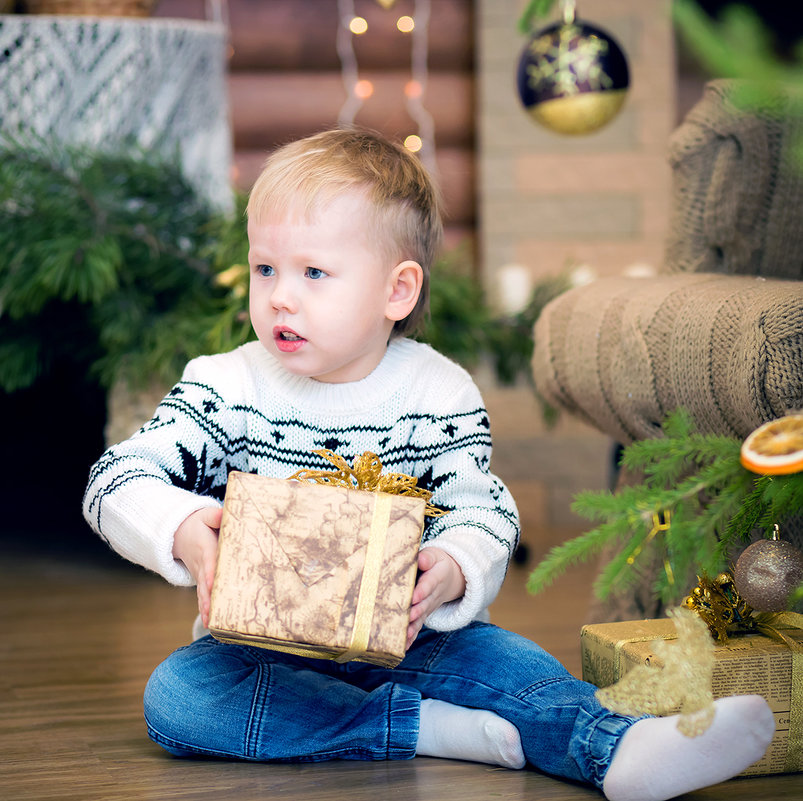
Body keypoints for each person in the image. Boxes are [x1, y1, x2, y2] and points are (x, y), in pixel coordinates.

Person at [83, 128, 774, 801]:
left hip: (410, 639)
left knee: (513, 665)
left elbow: (483, 507)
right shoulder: (224, 383)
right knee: (177, 698)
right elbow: (116, 477)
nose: (280, 296)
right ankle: (424, 728)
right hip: (263, 651)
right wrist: (183, 531)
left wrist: (451, 568)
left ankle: (617, 745)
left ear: (397, 291)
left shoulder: (436, 392)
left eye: (313, 272)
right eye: (266, 267)